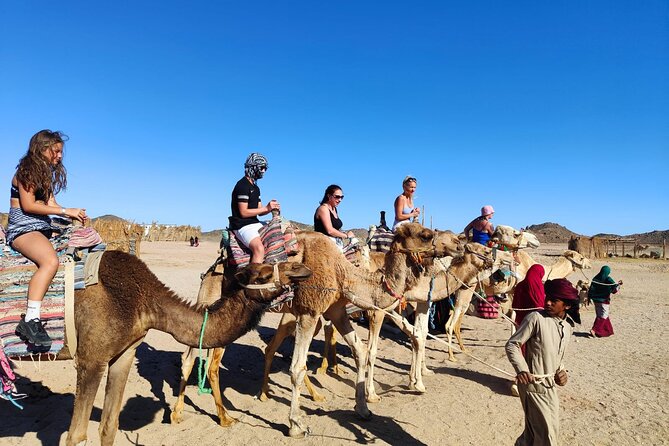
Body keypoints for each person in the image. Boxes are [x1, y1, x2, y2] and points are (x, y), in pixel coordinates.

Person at [7, 130, 87, 348]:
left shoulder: (45, 175)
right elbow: (28, 206)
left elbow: (50, 205)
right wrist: (65, 211)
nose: (60, 156)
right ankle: (31, 319)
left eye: (61, 152)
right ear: (43, 148)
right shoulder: (26, 171)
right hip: (24, 227)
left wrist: (72, 213)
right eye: (56, 151)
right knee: (50, 261)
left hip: (42, 225)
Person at [506, 278, 579, 446]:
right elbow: (512, 344)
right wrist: (522, 369)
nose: (547, 302)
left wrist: (562, 373)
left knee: (535, 431)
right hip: (533, 385)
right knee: (547, 434)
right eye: (547, 297)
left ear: (566, 305)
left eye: (554, 300)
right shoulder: (535, 318)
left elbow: (558, 356)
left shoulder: (568, 326)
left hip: (550, 386)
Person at [228, 153, 280, 264]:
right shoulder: (242, 186)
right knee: (259, 249)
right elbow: (243, 212)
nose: (264, 171)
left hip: (254, 222)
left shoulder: (255, 188)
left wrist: (270, 208)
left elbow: (260, 211)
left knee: (278, 232)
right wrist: (266, 207)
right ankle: (253, 279)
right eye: (261, 168)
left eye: (265, 168)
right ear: (253, 167)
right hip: (242, 225)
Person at [314, 184, 354, 251]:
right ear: (329, 196)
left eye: (342, 197)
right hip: (324, 246)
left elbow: (336, 228)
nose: (340, 200)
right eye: (337, 197)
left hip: (336, 245)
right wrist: (346, 235)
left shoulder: (334, 209)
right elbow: (330, 231)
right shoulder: (323, 209)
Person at [588, 265, 622, 338]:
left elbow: (591, 289)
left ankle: (607, 331)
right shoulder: (608, 279)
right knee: (604, 316)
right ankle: (594, 330)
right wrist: (619, 285)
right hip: (604, 301)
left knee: (600, 315)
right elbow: (614, 290)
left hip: (596, 301)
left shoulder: (595, 278)